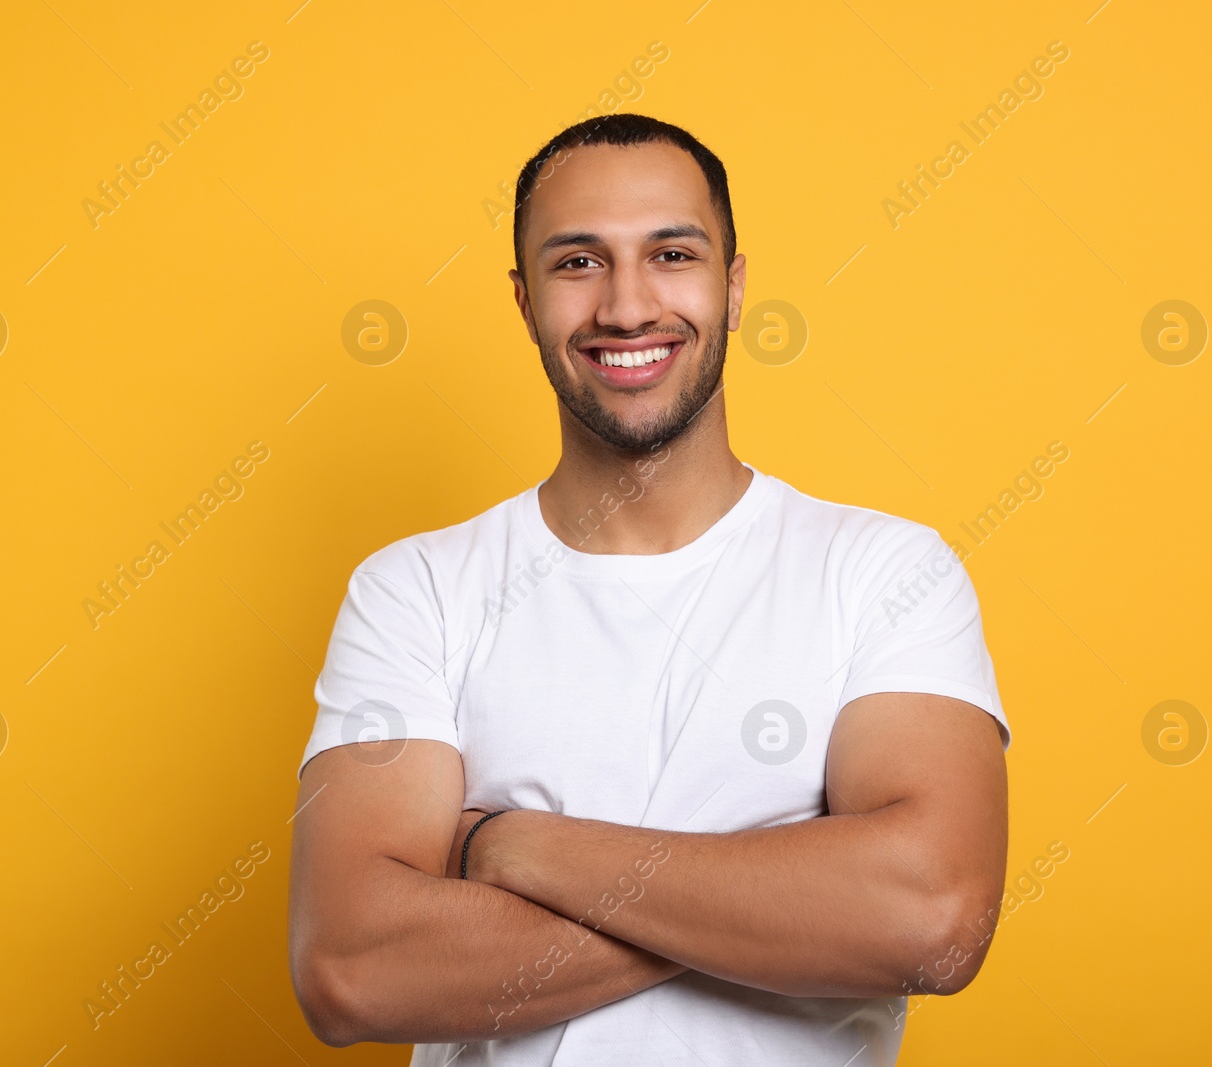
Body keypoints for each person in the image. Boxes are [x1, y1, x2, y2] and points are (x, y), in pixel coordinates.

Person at [288, 113, 1010, 1065]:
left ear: (735, 285)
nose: (627, 308)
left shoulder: (885, 573)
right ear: (522, 300)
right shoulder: (416, 590)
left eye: (672, 253)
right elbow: (351, 968)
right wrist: (785, 900)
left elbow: (932, 916)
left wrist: (512, 846)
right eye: (578, 262)